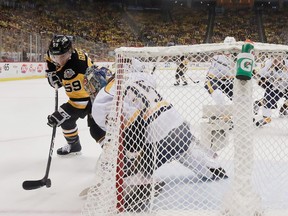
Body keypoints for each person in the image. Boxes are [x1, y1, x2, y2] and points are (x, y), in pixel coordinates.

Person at [45, 34, 105, 156]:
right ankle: (74, 146)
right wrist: (52, 70)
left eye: (62, 56)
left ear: (69, 52)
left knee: (97, 130)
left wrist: (61, 113)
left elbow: (80, 101)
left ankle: (115, 155)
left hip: (95, 97)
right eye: (55, 56)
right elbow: (50, 59)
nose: (59, 60)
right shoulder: (61, 53)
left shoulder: (75, 70)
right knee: (68, 122)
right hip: (88, 90)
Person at [253, 55, 288, 127]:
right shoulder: (268, 63)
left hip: (286, 87)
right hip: (275, 87)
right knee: (268, 101)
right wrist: (269, 69)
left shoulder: (287, 63)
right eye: (273, 57)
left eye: (278, 57)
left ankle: (283, 109)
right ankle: (259, 105)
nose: (275, 59)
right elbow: (260, 74)